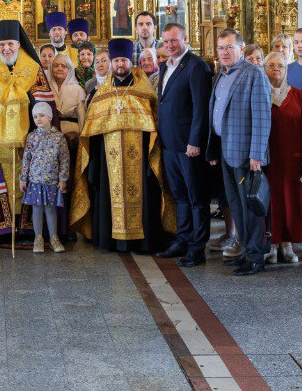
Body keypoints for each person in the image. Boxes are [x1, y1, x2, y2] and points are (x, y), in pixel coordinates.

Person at [70, 39, 174, 253]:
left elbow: (154, 124)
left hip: (140, 157)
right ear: (111, 62)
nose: (120, 64)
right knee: (109, 193)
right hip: (109, 160)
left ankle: (141, 241)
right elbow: (92, 129)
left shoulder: (143, 91)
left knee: (144, 195)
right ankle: (111, 240)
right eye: (116, 60)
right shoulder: (102, 95)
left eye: (123, 60)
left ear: (129, 61)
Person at [0, 20, 54, 240]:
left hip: (28, 135)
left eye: (10, 44)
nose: (6, 49)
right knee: (3, 179)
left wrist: (27, 99)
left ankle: (26, 227)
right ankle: (2, 228)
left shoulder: (33, 67)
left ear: (18, 44)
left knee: (26, 177)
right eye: (2, 45)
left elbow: (45, 101)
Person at [208, 30, 272, 275]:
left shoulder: (254, 74)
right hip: (225, 149)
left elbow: (262, 117)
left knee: (250, 206)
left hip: (246, 153)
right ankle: (246, 249)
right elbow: (216, 113)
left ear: (241, 48)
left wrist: (257, 154)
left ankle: (256, 256)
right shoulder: (220, 75)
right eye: (221, 48)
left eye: (229, 47)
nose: (224, 52)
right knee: (235, 205)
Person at [154, 23, 213, 267]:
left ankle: (197, 248)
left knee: (197, 198)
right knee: (180, 196)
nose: (169, 46)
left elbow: (201, 107)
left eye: (174, 41)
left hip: (189, 146)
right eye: (166, 41)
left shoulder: (197, 66)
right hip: (170, 144)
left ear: (185, 38)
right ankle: (183, 239)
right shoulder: (164, 66)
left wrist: (195, 141)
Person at [262, 53, 302, 264]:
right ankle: (272, 245)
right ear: (264, 69)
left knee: (290, 202)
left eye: (281, 66)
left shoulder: (296, 95)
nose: (276, 69)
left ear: (287, 70)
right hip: (267, 160)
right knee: (271, 203)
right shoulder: (259, 93)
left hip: (292, 160)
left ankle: (287, 245)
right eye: (271, 65)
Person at [21, 102, 71, 254]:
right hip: (35, 181)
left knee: (50, 210)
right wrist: (23, 178)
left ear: (49, 117)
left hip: (51, 181)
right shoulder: (31, 137)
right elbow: (26, 159)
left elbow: (64, 159)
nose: (38, 119)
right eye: (35, 116)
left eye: (41, 115)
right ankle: (38, 238)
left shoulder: (58, 138)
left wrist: (63, 179)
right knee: (36, 209)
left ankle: (54, 238)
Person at [47, 53, 86, 141]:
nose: (59, 69)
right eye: (56, 66)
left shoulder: (78, 89)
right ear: (51, 69)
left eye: (64, 66)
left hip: (73, 136)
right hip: (50, 134)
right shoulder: (46, 88)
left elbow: (82, 118)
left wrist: (83, 139)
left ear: (69, 69)